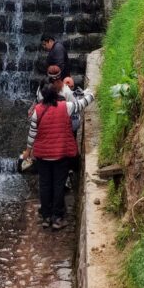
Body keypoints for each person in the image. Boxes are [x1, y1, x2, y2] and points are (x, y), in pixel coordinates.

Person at [25, 81, 94, 230]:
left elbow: (32, 133)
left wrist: (28, 150)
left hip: (43, 155)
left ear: (43, 96)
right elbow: (82, 104)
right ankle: (57, 219)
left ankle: (46, 217)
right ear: (57, 95)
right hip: (60, 154)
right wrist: (91, 94)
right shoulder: (65, 107)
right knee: (58, 185)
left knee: (44, 185)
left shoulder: (37, 110)